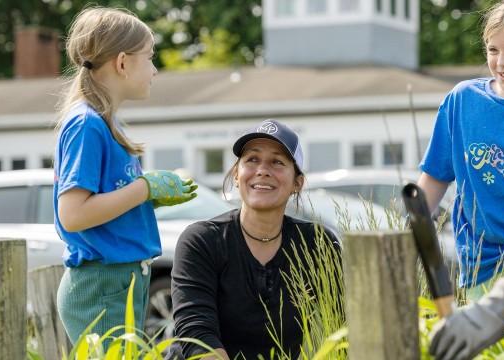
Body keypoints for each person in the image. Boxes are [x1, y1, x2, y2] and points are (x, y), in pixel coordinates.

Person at [53, 7, 198, 343]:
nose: (155, 70)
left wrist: (150, 199)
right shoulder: (86, 124)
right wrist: (144, 190)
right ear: (121, 63)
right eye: (149, 58)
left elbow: (102, 206)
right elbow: (73, 215)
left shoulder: (105, 122)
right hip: (101, 286)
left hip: (115, 282)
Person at [171, 119, 341, 359]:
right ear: (237, 176)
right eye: (252, 159)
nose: (262, 170)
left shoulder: (317, 244)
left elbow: (339, 326)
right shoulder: (201, 241)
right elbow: (197, 334)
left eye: (277, 162)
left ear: (297, 183)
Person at [418, 0, 504, 299]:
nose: (502, 62)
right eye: (493, 50)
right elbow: (435, 178)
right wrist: (408, 231)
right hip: (478, 266)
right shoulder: (462, 101)